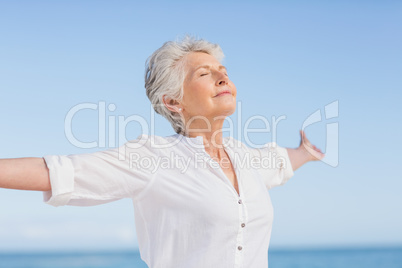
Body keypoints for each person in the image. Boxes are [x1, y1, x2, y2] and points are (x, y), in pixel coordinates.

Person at [0, 36, 324, 268]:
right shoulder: (153, 158)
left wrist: (305, 152)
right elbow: (56, 171)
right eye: (204, 73)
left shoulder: (248, 159)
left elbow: (281, 162)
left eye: (222, 70)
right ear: (173, 101)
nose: (222, 76)